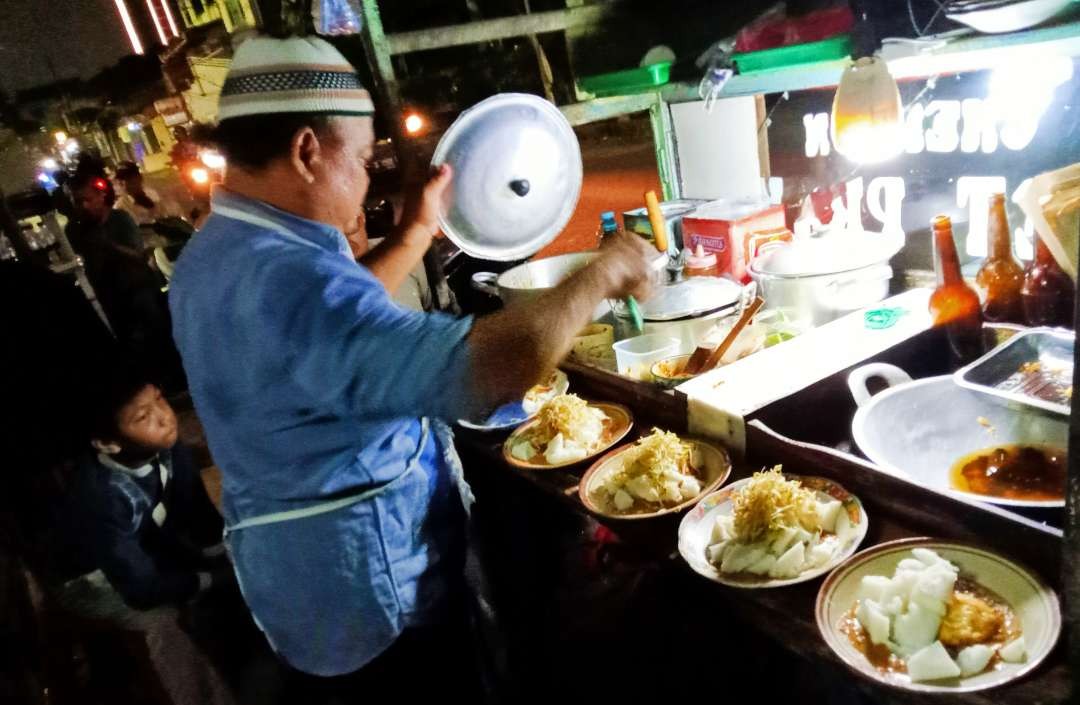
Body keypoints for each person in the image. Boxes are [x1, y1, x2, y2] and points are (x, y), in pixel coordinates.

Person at [168, 34, 656, 689]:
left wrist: (416, 231)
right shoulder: (295, 285)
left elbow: (331, 328)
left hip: (300, 585)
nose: (371, 176)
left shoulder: (215, 251)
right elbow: (489, 370)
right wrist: (605, 272)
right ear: (308, 151)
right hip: (375, 609)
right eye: (366, 159)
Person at [50, 368, 236, 705]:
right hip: (92, 580)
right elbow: (140, 590)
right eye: (143, 416)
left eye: (160, 399)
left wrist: (224, 553)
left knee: (233, 555)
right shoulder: (102, 499)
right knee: (164, 630)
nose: (164, 417)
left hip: (141, 547)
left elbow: (195, 506)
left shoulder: (164, 443)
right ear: (108, 443)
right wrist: (216, 577)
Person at [115, 160, 187, 227]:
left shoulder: (154, 193)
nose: (124, 183)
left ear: (139, 178)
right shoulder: (120, 209)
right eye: (120, 179)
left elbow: (174, 211)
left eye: (128, 178)